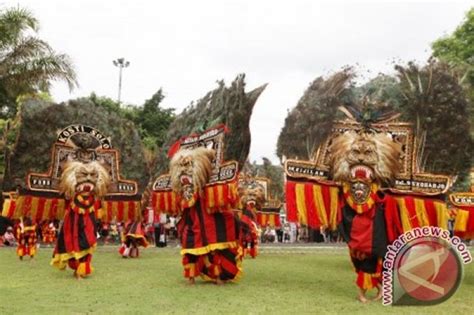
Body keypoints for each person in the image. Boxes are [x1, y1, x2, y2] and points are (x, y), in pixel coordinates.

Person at [169, 147, 242, 284]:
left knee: (215, 248)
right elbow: (181, 202)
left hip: (209, 220)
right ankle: (191, 277)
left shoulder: (208, 186)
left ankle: (219, 276)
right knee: (190, 249)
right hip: (192, 221)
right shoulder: (183, 188)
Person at [51, 160, 110, 279]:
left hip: (89, 225)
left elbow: (100, 207)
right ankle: (78, 270)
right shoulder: (71, 196)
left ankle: (81, 269)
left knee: (87, 245)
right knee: (74, 246)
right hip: (73, 226)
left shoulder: (95, 198)